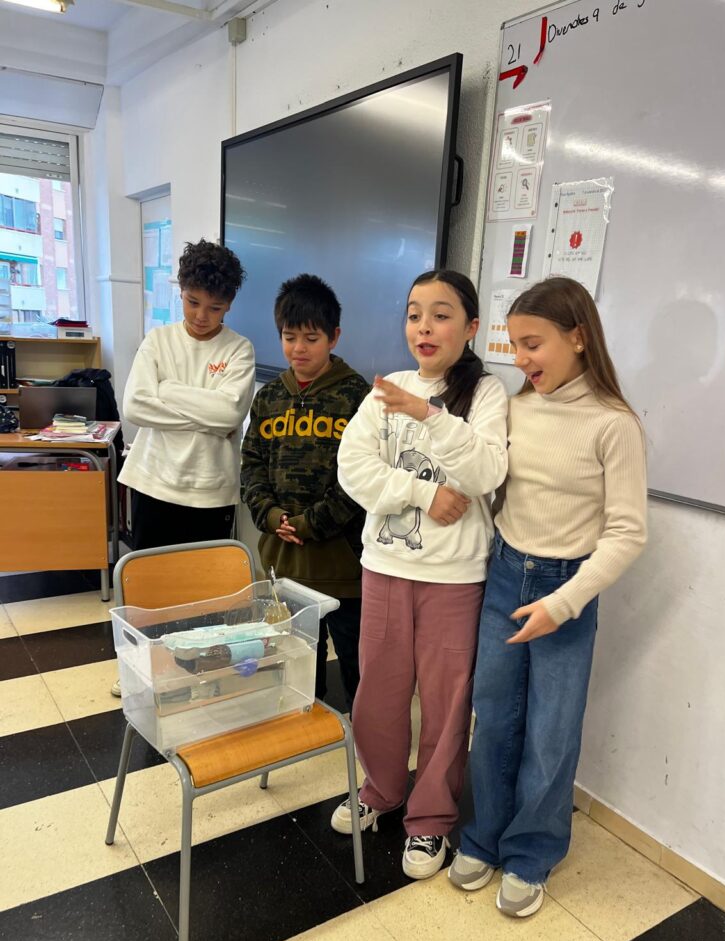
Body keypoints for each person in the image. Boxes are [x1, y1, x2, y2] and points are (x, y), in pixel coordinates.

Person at [448, 276, 647, 917]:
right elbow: (493, 484)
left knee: (551, 730)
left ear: (578, 338)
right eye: (515, 345)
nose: (522, 360)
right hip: (506, 572)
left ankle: (531, 853)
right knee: (493, 714)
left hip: (567, 586)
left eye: (533, 344)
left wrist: (564, 603)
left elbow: (627, 533)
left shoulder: (614, 424)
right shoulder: (517, 408)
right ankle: (483, 836)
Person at [331, 269, 508, 880]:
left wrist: (428, 416)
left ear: (471, 327)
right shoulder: (390, 387)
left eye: (440, 314)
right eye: (414, 314)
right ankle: (381, 790)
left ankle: (431, 818)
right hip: (384, 565)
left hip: (455, 577)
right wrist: (423, 493)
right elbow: (352, 466)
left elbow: (485, 473)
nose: (424, 327)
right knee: (377, 692)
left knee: (445, 704)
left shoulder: (487, 394)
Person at [114, 239, 255, 696]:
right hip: (153, 481)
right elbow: (135, 406)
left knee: (203, 592)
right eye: (193, 302)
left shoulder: (239, 350)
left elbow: (229, 414)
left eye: (214, 308)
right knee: (149, 587)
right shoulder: (158, 341)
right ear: (181, 292)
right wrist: (206, 415)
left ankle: (194, 667)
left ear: (228, 305)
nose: (201, 316)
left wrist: (168, 391)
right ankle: (142, 669)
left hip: (210, 490)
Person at [240, 273, 368, 711]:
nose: (299, 348)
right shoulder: (269, 397)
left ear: (334, 337)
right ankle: (305, 727)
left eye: (311, 338)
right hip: (285, 562)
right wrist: (271, 516)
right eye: (289, 337)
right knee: (297, 663)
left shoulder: (358, 397)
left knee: (356, 664)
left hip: (344, 566)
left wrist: (312, 523)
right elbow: (251, 464)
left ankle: (363, 735)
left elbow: (361, 478)